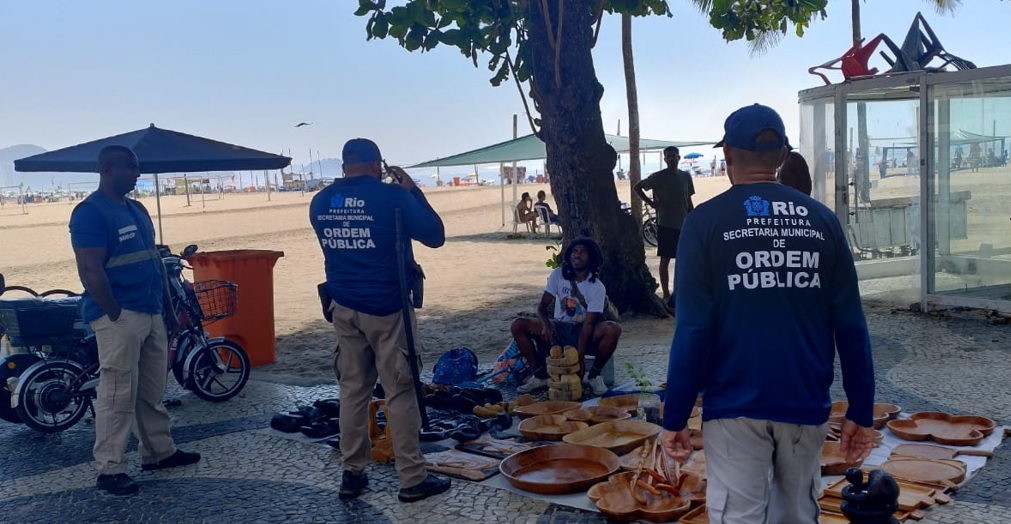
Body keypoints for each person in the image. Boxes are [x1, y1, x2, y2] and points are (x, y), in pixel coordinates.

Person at [659, 104, 876, 523]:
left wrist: (676, 416)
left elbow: (692, 329)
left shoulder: (703, 224)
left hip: (733, 405)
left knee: (740, 515)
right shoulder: (822, 221)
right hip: (805, 402)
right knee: (796, 514)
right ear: (781, 157)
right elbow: (850, 325)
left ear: (727, 158)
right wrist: (860, 411)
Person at [309, 138, 451, 503]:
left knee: (353, 391)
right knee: (400, 390)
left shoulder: (320, 202)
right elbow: (435, 236)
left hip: (343, 305)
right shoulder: (392, 197)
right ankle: (411, 479)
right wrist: (413, 190)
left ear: (344, 167)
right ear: (377, 165)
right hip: (388, 307)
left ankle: (352, 473)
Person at [69, 145, 200, 496]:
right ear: (109, 169)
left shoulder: (138, 210)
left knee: (152, 390)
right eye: (133, 167)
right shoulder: (90, 213)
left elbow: (154, 260)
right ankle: (110, 469)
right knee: (116, 393)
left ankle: (158, 452)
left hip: (153, 310)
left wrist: (168, 309)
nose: (138, 174)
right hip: (120, 317)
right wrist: (114, 312)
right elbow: (89, 269)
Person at [509, 238, 621, 396]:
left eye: (582, 252)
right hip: (559, 328)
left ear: (591, 257)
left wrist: (579, 359)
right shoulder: (558, 275)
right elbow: (541, 307)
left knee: (613, 329)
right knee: (518, 325)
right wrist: (547, 325)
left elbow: (589, 325)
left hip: (583, 332)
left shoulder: (596, 287)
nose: (577, 255)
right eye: (575, 251)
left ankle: (594, 376)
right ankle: (539, 375)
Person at [634, 146, 695, 312]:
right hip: (666, 224)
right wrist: (652, 204)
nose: (671, 159)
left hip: (683, 224)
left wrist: (693, 217)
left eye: (674, 156)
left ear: (679, 157)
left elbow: (688, 200)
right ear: (665, 159)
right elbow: (638, 187)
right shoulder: (658, 177)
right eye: (668, 157)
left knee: (684, 260)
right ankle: (666, 293)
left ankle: (681, 291)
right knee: (665, 259)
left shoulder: (685, 177)